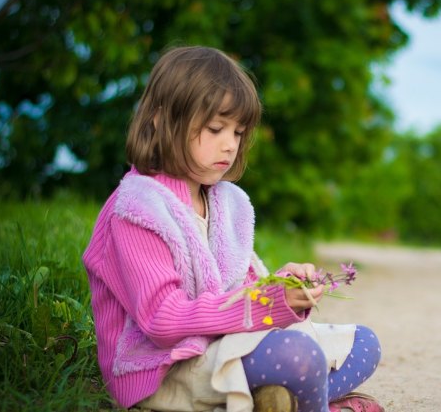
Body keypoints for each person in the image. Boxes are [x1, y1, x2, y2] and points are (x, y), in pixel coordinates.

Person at [82, 46, 384, 412]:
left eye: (238, 132)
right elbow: (161, 319)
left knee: (364, 344)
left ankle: (275, 399)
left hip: (222, 347)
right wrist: (265, 305)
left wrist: (283, 286)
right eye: (215, 128)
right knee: (297, 355)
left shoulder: (226, 202)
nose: (230, 144)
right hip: (163, 367)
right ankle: (308, 401)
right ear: (162, 121)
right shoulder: (137, 208)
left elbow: (241, 289)